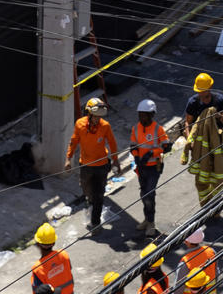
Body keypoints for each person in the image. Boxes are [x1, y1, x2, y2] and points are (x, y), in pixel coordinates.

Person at [65, 96, 119, 232]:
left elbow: (112, 144)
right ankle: (90, 200)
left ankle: (95, 223)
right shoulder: (79, 125)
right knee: (87, 190)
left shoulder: (105, 126)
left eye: (98, 117)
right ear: (88, 114)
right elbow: (73, 141)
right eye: (94, 116)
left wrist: (116, 161)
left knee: (99, 195)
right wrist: (68, 159)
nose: (97, 119)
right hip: (86, 166)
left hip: (102, 166)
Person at [183, 88, 223, 212]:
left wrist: (218, 116)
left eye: (203, 91)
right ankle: (205, 207)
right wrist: (190, 140)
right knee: (201, 180)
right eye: (199, 91)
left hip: (217, 144)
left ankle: (215, 208)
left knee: (217, 176)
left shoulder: (219, 100)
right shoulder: (193, 102)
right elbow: (187, 123)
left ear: (209, 89)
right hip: (200, 146)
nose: (201, 94)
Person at [128, 99, 171, 235]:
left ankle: (151, 222)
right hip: (141, 167)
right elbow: (133, 146)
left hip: (153, 168)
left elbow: (166, 146)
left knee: (149, 194)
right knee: (143, 194)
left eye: (145, 115)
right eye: (140, 115)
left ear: (151, 115)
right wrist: (136, 156)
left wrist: (152, 152)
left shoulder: (158, 129)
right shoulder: (135, 129)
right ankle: (147, 219)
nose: (142, 117)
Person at [32, 225, 75, 294]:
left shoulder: (38, 268)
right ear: (54, 243)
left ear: (38, 244)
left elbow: (37, 292)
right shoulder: (63, 254)